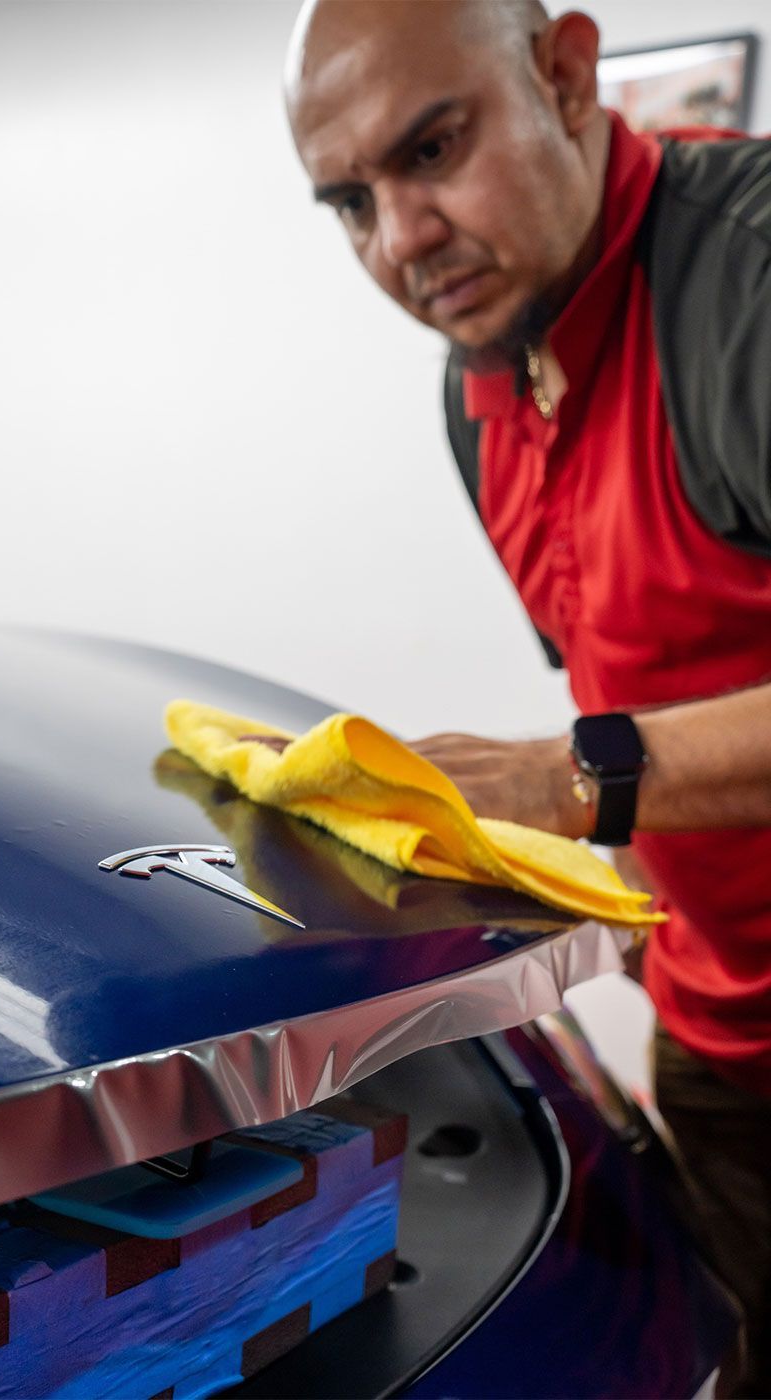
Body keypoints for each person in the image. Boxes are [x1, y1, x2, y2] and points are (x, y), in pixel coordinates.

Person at [285, 2, 771, 1393]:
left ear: (564, 76)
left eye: (431, 149)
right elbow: (659, 689)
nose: (400, 240)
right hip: (715, 1029)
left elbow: (604, 744)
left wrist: (563, 774)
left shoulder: (746, 280)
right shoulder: (481, 385)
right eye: (350, 204)